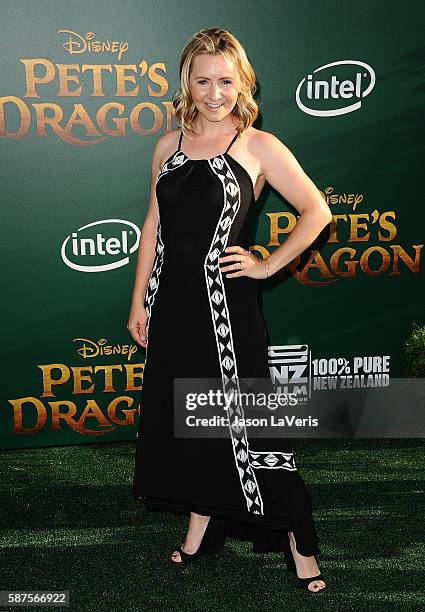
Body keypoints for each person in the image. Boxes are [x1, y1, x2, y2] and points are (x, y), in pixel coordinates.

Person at [128, 28, 332, 593]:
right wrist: (138, 301)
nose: (214, 93)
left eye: (225, 80)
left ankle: (300, 543)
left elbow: (316, 212)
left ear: (241, 83)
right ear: (186, 84)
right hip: (172, 307)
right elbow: (153, 228)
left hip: (226, 311)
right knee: (191, 420)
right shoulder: (167, 146)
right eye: (202, 80)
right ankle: (199, 525)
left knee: (253, 425)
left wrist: (268, 265)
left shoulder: (258, 145)